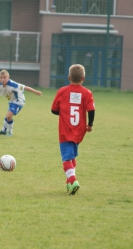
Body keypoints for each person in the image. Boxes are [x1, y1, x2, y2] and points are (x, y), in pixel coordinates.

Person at [51, 64, 95, 195]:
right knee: (72, 157)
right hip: (79, 131)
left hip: (65, 131)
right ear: (83, 78)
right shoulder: (87, 93)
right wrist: (90, 124)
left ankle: (73, 180)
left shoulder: (62, 91)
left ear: (69, 77)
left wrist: (64, 113)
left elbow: (54, 110)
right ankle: (69, 184)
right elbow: (92, 110)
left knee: (66, 159)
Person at [0, 69, 42, 137]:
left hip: (19, 102)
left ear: (8, 78)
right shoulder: (0, 86)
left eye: (5, 77)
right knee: (8, 116)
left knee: (9, 116)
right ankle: (3, 130)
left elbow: (25, 87)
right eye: (1, 78)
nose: (3, 79)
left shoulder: (14, 85)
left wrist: (35, 92)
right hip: (11, 102)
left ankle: (10, 132)